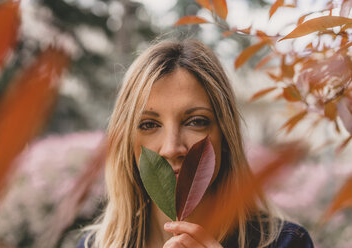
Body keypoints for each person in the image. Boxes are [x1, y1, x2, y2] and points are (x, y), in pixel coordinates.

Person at [78, 39, 314, 248]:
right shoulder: (93, 245)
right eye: (149, 124)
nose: (171, 148)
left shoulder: (286, 242)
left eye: (195, 121)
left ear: (225, 136)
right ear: (127, 142)